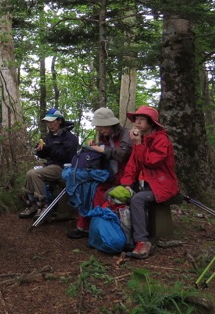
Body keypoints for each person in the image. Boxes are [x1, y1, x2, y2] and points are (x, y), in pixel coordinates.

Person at [107, 105, 179, 259]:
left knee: (137, 199)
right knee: (113, 193)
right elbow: (132, 165)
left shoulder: (161, 139)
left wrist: (138, 144)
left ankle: (142, 242)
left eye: (142, 119)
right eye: (136, 119)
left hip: (161, 185)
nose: (137, 122)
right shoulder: (142, 139)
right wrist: (126, 184)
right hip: (144, 184)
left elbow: (151, 162)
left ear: (151, 122)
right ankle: (124, 238)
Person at [67, 107, 133, 238]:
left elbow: (122, 155)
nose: (98, 130)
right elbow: (105, 153)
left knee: (98, 192)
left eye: (100, 127)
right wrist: (95, 146)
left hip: (126, 177)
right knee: (87, 187)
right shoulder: (105, 136)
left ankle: (100, 229)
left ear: (109, 124)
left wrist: (102, 149)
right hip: (110, 176)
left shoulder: (127, 134)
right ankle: (86, 226)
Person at [19, 108, 79, 219]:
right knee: (29, 173)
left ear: (60, 121)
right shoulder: (49, 137)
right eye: (48, 122)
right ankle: (33, 205)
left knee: (35, 174)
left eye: (52, 121)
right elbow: (44, 155)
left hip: (62, 168)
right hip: (49, 165)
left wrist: (50, 148)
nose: (50, 125)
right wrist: (40, 150)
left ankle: (45, 206)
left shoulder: (70, 138)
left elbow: (68, 158)